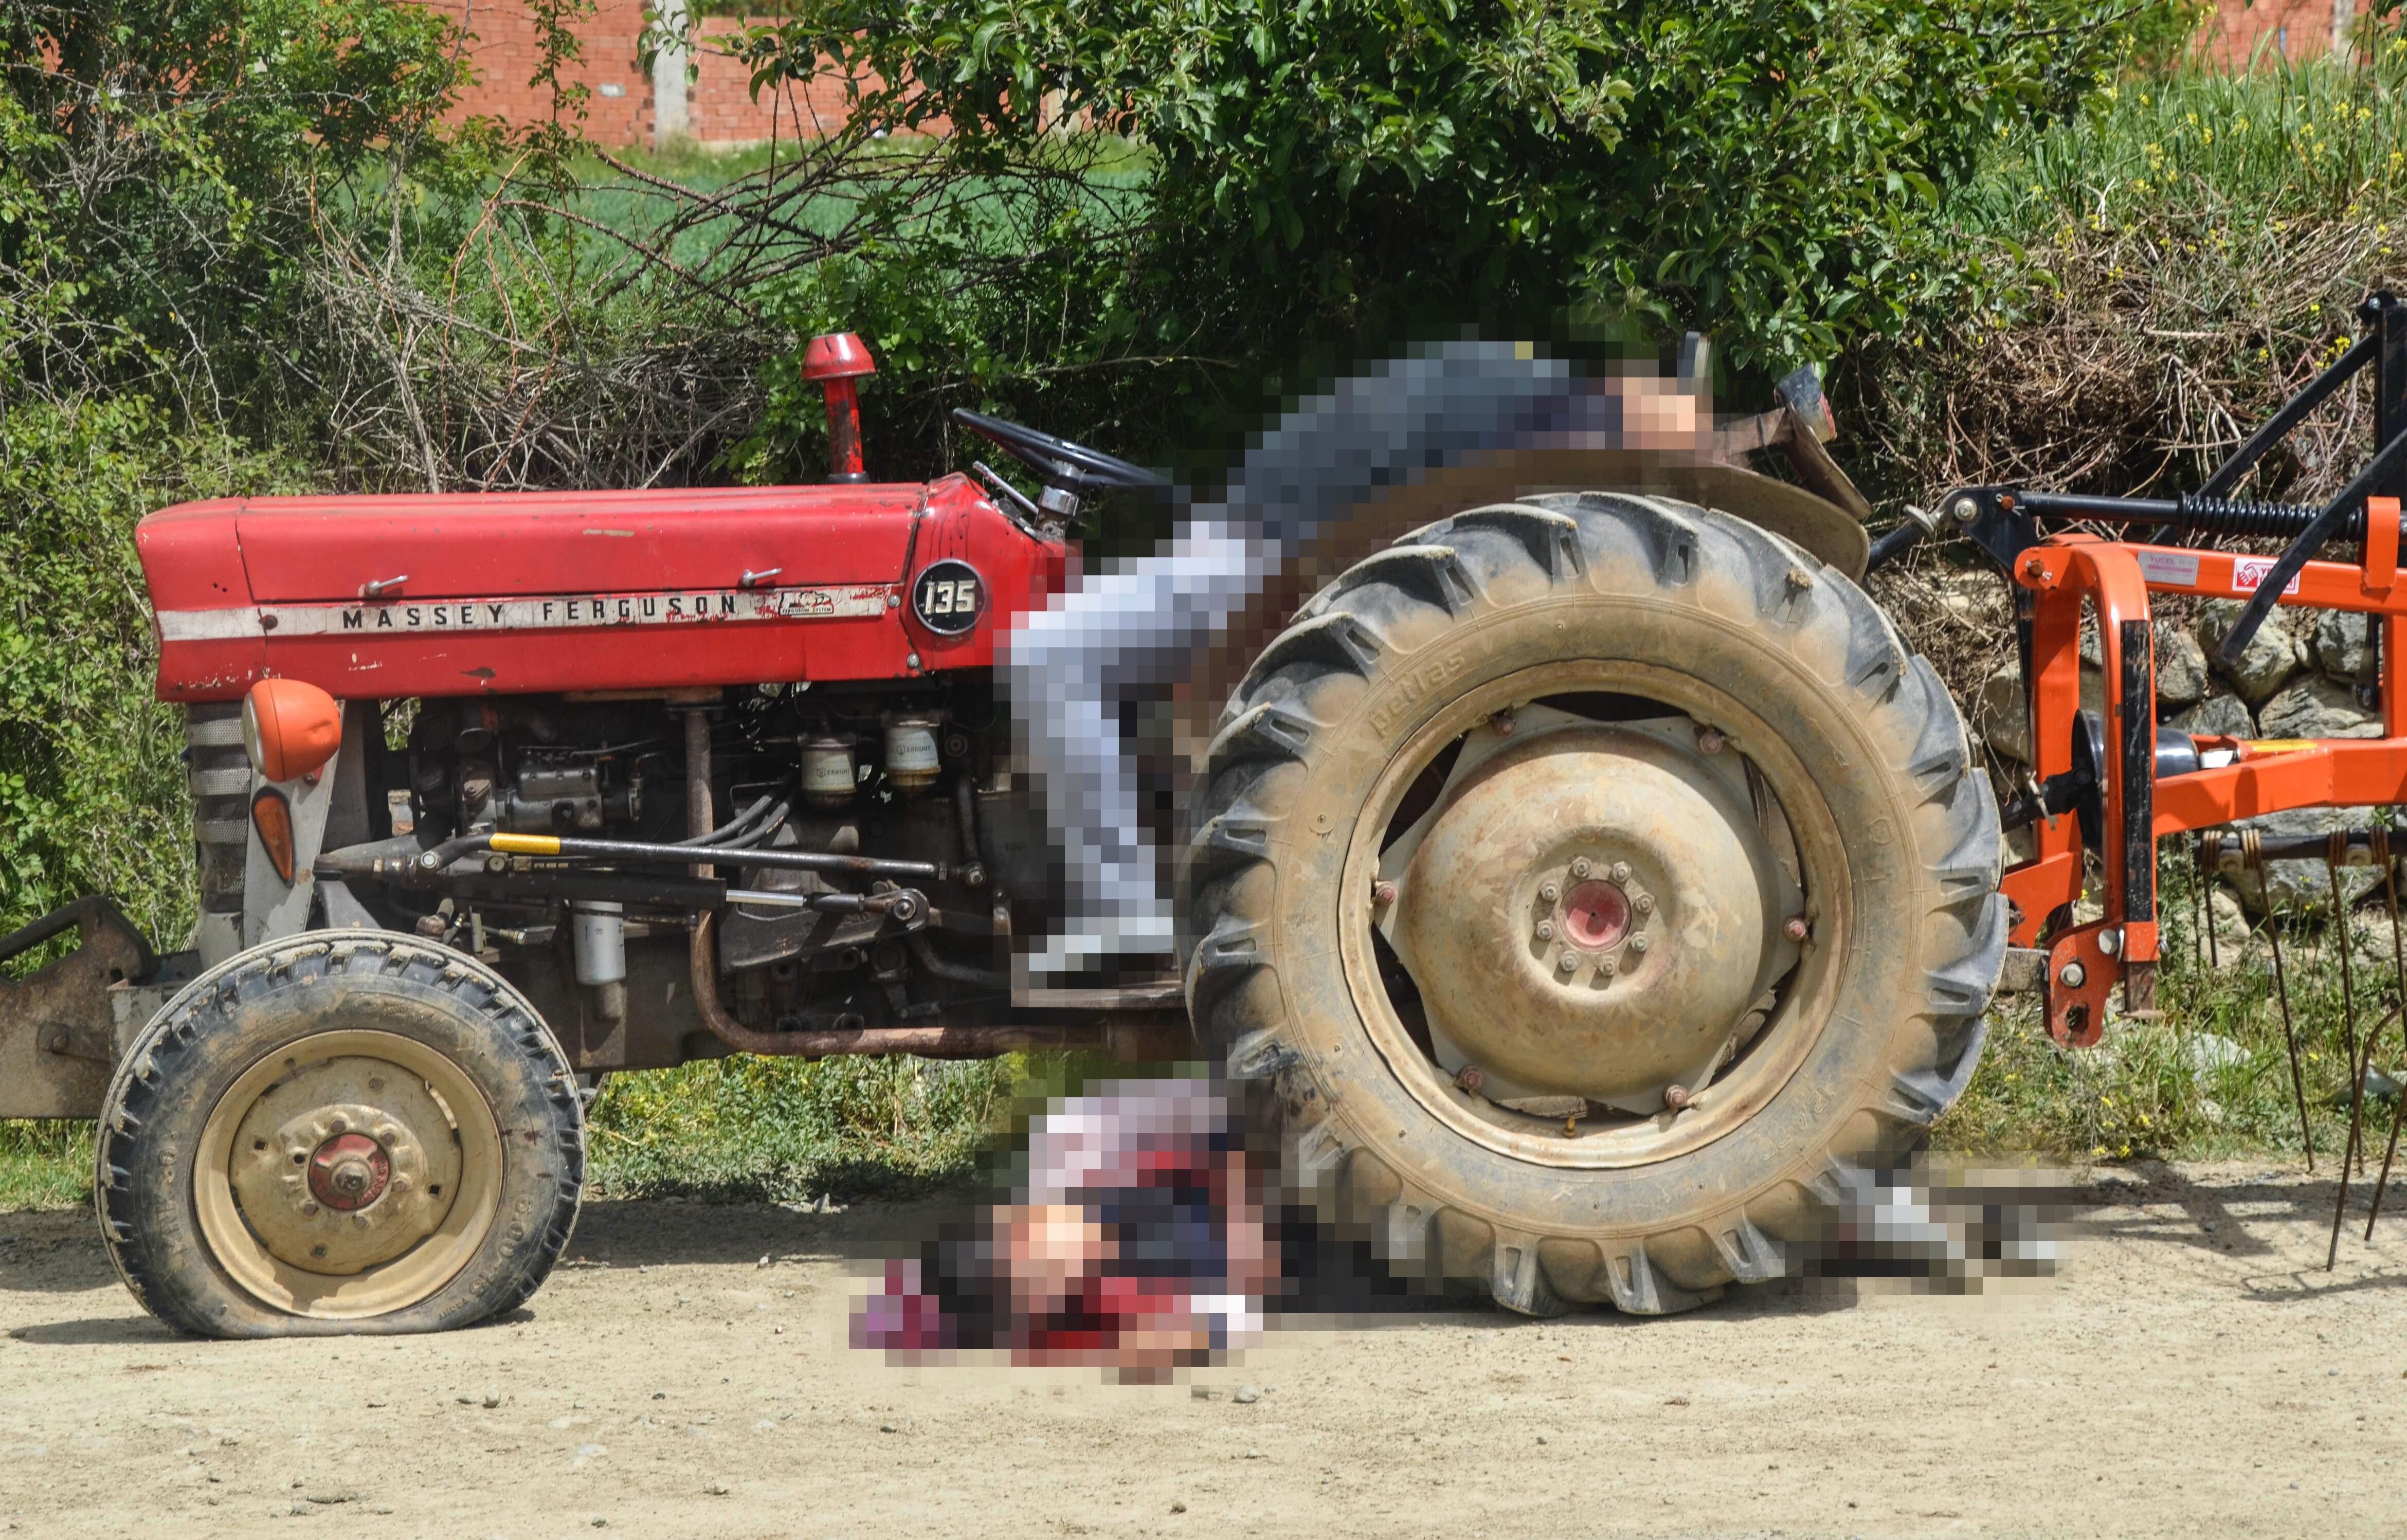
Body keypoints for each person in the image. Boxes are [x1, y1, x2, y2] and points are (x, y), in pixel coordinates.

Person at [1005, 340, 1706, 991]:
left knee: (1055, 652)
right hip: (1288, 558)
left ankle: (1117, 910)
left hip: (1306, 575)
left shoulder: (1461, 439)